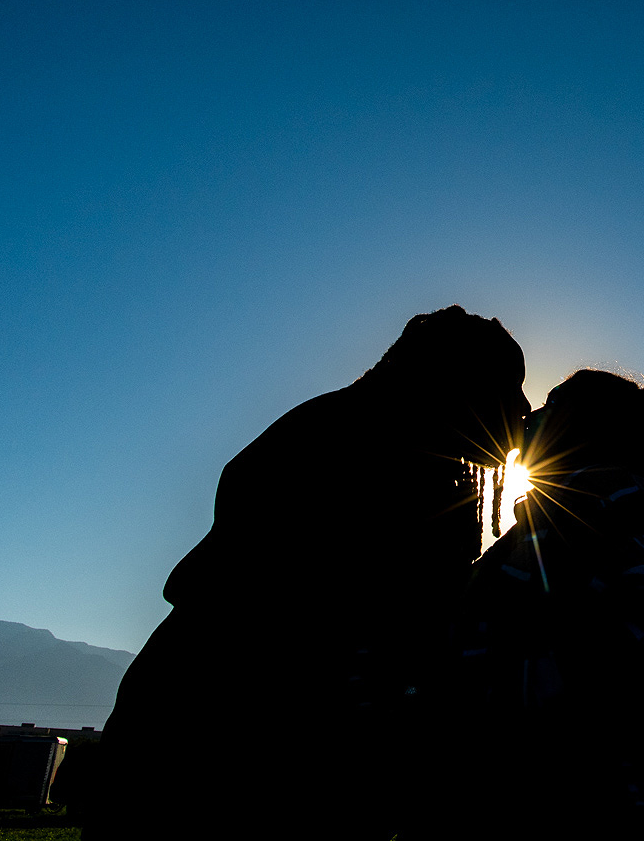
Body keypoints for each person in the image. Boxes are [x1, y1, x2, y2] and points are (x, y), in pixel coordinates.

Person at [86, 307, 529, 841]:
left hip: (251, 736)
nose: (523, 410)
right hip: (227, 743)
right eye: (507, 387)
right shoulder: (356, 450)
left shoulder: (401, 454)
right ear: (453, 383)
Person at [434, 370, 644, 840]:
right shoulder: (584, 512)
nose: (531, 413)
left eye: (552, 403)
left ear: (589, 427)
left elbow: (629, 664)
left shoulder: (618, 501)